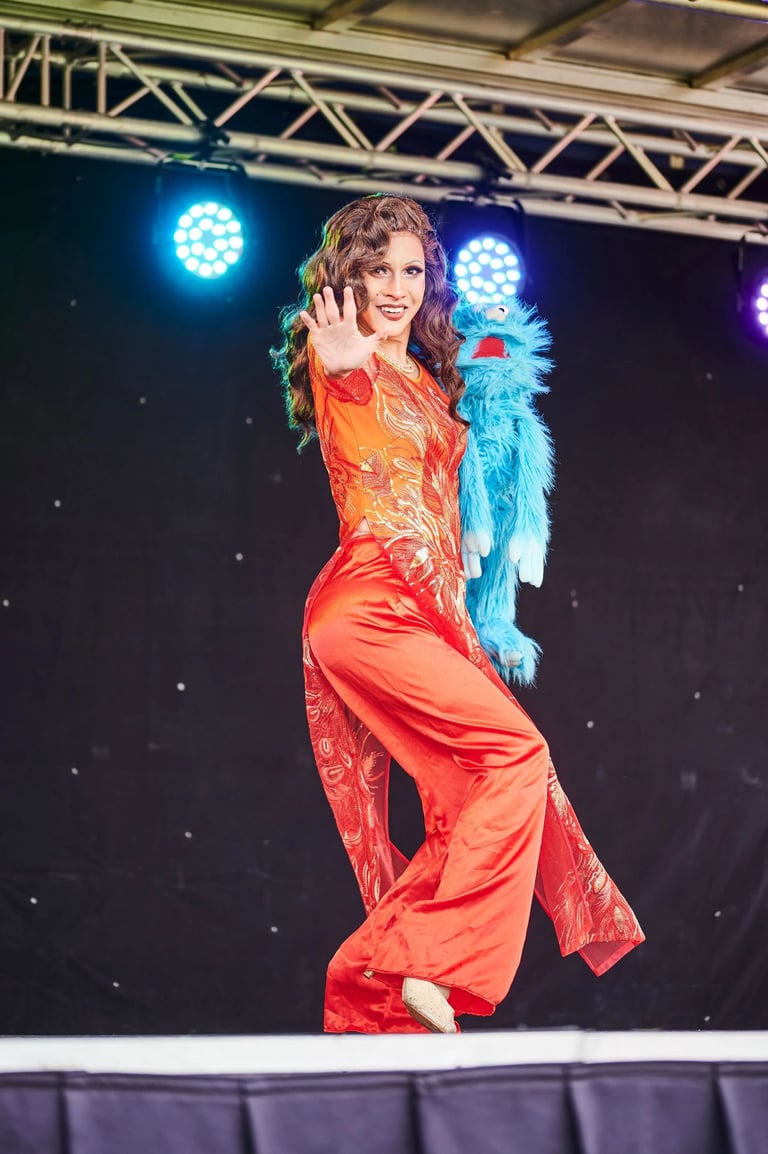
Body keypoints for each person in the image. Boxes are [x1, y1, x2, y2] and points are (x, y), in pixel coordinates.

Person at [274, 194, 643, 1035]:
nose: (396, 287)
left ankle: (372, 993)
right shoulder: (347, 359)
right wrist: (341, 361)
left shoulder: (424, 377)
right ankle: (435, 963)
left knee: (478, 792)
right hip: (373, 603)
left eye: (411, 270)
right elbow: (348, 392)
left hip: (419, 607)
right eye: (376, 269)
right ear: (347, 279)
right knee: (517, 755)